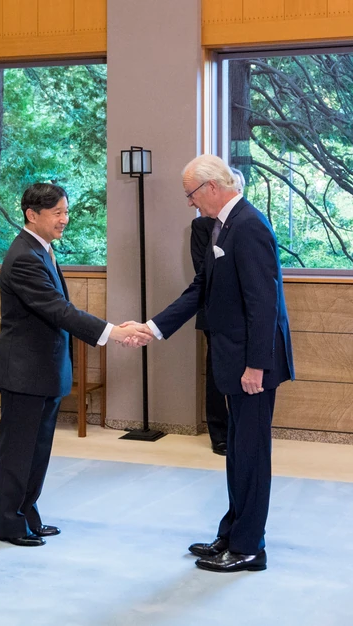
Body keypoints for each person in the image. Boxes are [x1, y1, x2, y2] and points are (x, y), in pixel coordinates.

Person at [130, 155, 294, 573]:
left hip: (251, 365)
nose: (189, 203)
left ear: (212, 188)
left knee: (252, 455)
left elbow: (263, 303)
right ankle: (233, 532)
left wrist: (257, 364)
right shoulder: (223, 224)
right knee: (238, 452)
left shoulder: (250, 226)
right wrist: (154, 327)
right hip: (234, 359)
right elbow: (200, 288)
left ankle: (249, 548)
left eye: (190, 194)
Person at [0, 183, 153, 547]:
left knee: (38, 450)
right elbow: (59, 310)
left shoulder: (41, 249)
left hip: (43, 371)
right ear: (32, 215)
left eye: (66, 211)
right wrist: (114, 331)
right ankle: (9, 523)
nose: (66, 219)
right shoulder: (24, 257)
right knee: (17, 451)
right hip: (23, 372)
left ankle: (27, 514)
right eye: (58, 213)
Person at [190, 167, 245, 456]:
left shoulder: (249, 224)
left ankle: (241, 428)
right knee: (215, 371)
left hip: (240, 316)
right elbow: (203, 273)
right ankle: (219, 432)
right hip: (212, 311)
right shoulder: (201, 227)